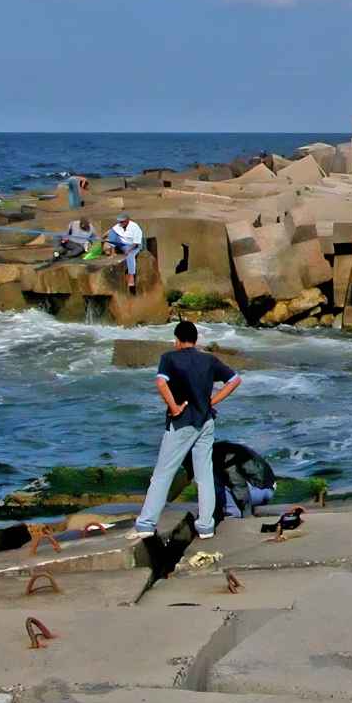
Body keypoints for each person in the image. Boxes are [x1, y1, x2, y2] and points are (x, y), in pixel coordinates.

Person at [134, 321, 242, 541]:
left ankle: (146, 524)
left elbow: (161, 383)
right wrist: (212, 401)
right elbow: (234, 380)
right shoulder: (208, 359)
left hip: (182, 421)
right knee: (204, 475)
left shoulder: (169, 358)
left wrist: (174, 408)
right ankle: (205, 527)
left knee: (163, 474)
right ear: (195, 339)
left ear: (177, 339)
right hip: (206, 421)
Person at [104, 213, 144, 289]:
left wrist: (129, 249)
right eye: (120, 222)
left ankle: (131, 276)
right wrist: (104, 237)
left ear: (127, 221)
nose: (120, 223)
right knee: (112, 233)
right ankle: (112, 252)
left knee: (130, 256)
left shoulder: (135, 228)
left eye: (122, 222)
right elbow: (111, 231)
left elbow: (136, 243)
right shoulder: (119, 226)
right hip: (123, 244)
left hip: (133, 245)